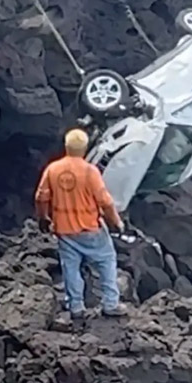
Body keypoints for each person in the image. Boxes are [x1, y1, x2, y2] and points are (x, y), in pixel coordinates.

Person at [34, 129, 127, 319]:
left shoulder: (53, 169)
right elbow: (105, 202)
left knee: (70, 267)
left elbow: (41, 197)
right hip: (90, 229)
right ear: (84, 148)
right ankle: (110, 303)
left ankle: (75, 307)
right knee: (106, 261)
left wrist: (43, 218)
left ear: (66, 147)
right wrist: (116, 222)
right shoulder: (89, 171)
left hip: (64, 230)